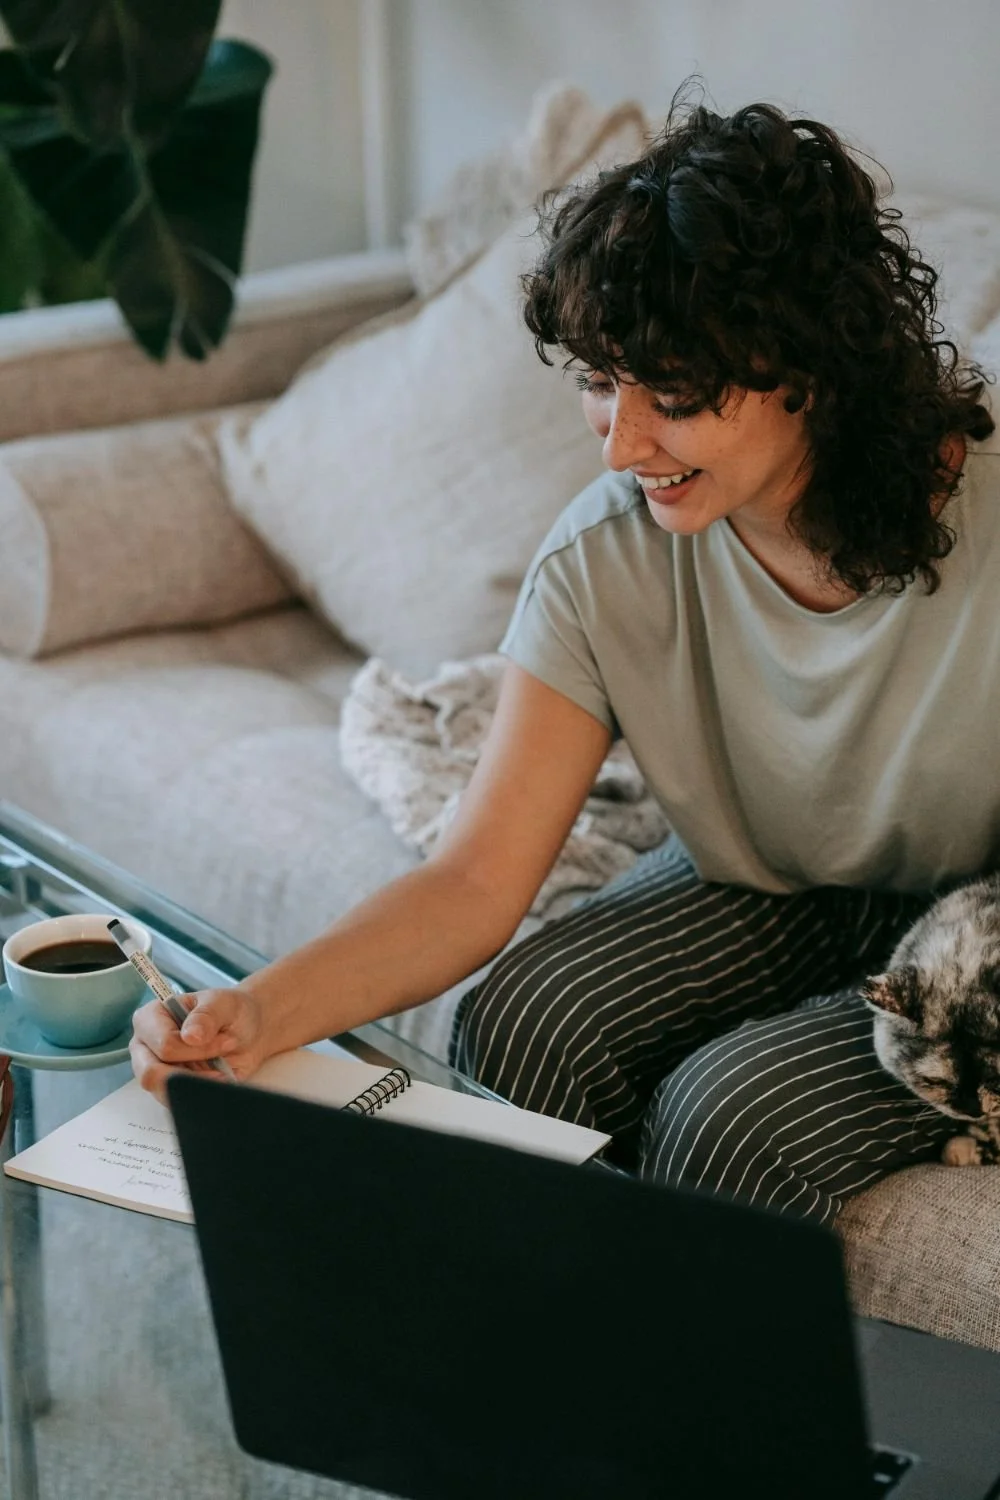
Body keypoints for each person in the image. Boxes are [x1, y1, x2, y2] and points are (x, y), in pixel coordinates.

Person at [131, 80, 997, 1227]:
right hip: (770, 876)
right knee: (523, 1021)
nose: (622, 445)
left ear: (812, 367)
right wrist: (258, 1008)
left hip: (969, 935)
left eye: (675, 395)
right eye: (598, 383)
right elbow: (474, 881)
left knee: (726, 1119)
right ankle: (525, 1381)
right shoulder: (604, 561)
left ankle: (685, 1407)